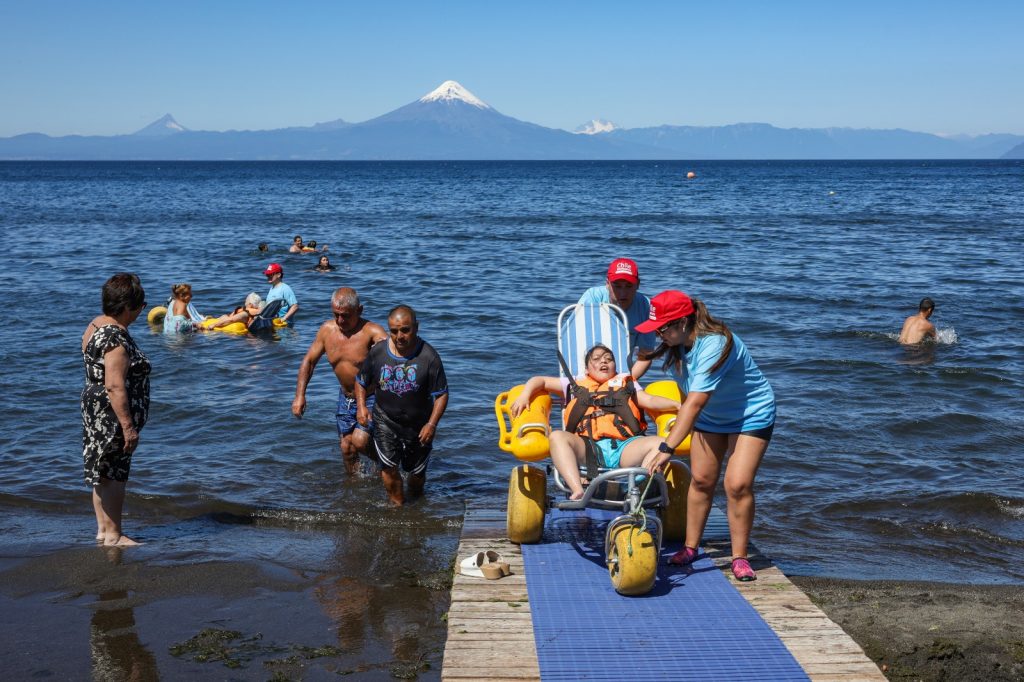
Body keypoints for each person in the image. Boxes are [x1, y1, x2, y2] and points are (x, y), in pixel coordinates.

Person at [635, 290, 775, 582]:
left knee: (736, 484)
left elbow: (695, 402)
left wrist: (667, 447)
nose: (659, 335)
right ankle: (690, 547)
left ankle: (739, 557)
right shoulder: (678, 345)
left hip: (750, 415)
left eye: (662, 328)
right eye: (655, 330)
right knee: (701, 481)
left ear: (683, 322)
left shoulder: (716, 343)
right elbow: (687, 397)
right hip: (711, 417)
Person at [510, 344, 679, 500]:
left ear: (615, 366)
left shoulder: (627, 383)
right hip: (587, 447)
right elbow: (540, 381)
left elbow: (649, 401)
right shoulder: (574, 384)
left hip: (624, 447)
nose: (604, 361)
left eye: (609, 359)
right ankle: (578, 489)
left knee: (662, 443)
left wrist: (677, 405)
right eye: (597, 359)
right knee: (557, 437)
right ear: (587, 369)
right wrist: (525, 394)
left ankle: (637, 487)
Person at [81, 273, 151, 547]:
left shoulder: (95, 325)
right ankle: (114, 535)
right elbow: (115, 385)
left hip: (94, 407)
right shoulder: (116, 338)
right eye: (139, 307)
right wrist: (128, 427)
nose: (140, 313)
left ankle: (104, 530)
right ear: (126, 307)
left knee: (102, 471)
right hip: (111, 413)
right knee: (114, 473)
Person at [355, 305, 448, 505]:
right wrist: (362, 407)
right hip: (385, 420)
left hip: (419, 424)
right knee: (388, 468)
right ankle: (396, 507)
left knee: (416, 477)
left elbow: (441, 394)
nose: (399, 336)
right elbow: (361, 381)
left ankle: (417, 505)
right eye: (394, 331)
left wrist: (431, 424)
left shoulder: (429, 357)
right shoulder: (378, 352)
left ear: (416, 328)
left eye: (405, 330)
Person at [293, 288, 388, 474]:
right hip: (346, 398)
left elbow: (392, 355)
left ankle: (388, 464)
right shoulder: (327, 331)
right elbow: (309, 361)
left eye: (345, 316)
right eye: (336, 315)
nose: (340, 321)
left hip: (371, 397)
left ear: (359, 310)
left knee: (359, 441)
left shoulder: (372, 332)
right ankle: (354, 488)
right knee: (347, 448)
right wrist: (300, 396)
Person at [578, 258, 657, 379]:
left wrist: (624, 382)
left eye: (628, 286)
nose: (622, 293)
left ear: (638, 285)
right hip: (586, 372)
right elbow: (577, 341)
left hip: (622, 374)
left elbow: (645, 355)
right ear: (607, 283)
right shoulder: (592, 298)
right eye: (617, 286)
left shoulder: (645, 306)